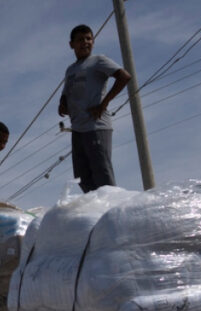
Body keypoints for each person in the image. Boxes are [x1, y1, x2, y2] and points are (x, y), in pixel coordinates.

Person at [58, 24, 132, 192]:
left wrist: (103, 104)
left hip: (96, 125)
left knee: (102, 175)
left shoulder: (99, 60)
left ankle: (110, 211)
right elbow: (65, 92)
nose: (85, 42)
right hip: (77, 128)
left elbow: (124, 76)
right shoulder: (71, 69)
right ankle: (94, 213)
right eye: (80, 40)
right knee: (83, 177)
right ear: (72, 45)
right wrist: (62, 103)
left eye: (88, 39)